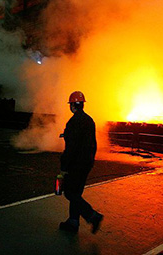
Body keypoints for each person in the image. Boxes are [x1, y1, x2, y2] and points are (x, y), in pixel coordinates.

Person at [58, 91, 104, 234]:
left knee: (70, 193)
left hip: (75, 165)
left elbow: (71, 148)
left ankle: (92, 216)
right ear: (82, 104)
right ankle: (73, 222)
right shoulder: (89, 120)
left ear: (72, 105)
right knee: (76, 192)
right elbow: (91, 143)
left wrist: (64, 167)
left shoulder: (73, 122)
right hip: (86, 163)